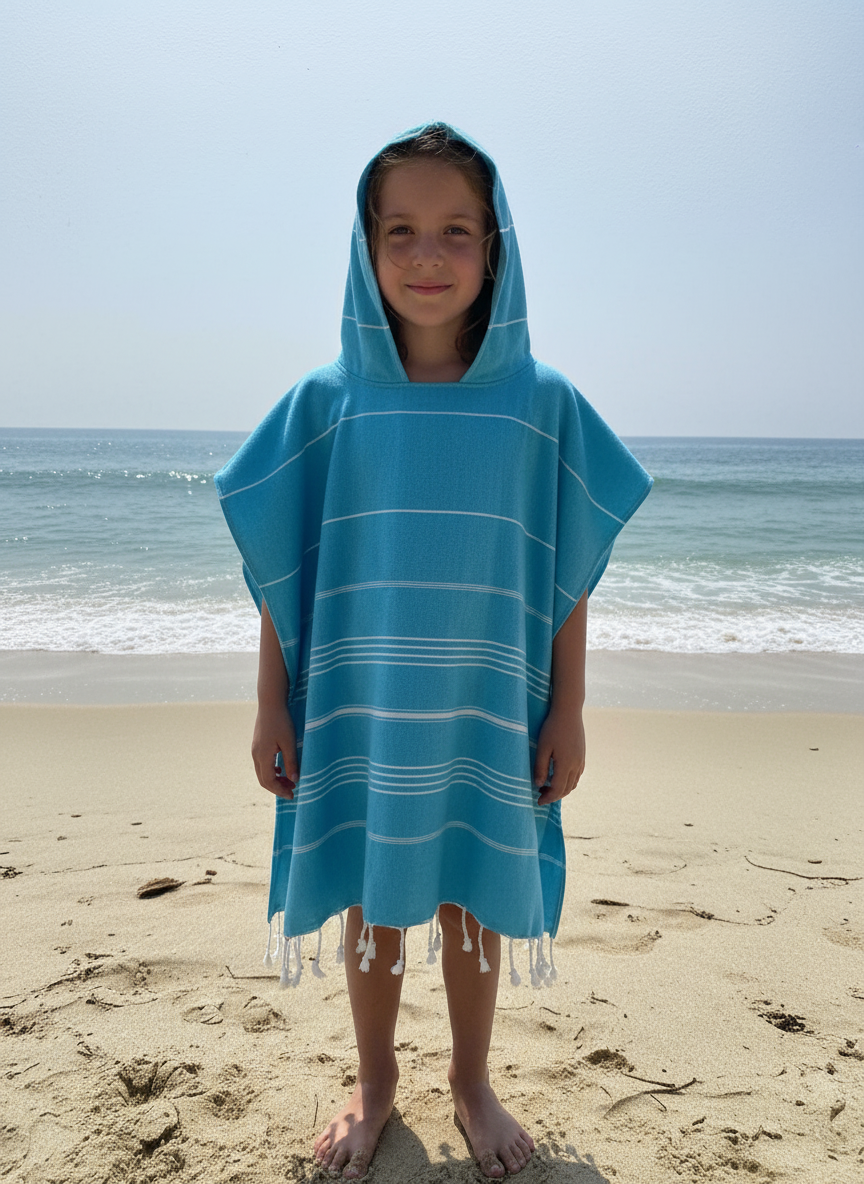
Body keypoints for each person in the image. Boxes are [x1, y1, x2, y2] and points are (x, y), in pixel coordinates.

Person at [215, 123, 652, 1180]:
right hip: (362, 702)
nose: (427, 255)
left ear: (494, 247)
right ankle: (374, 1079)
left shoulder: (537, 402)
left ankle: (469, 1078)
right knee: (377, 889)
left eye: (456, 230)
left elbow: (563, 569)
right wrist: (272, 703)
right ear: (366, 248)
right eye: (400, 230)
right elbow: (284, 570)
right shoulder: (328, 401)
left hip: (486, 700)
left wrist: (571, 707)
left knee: (470, 894)